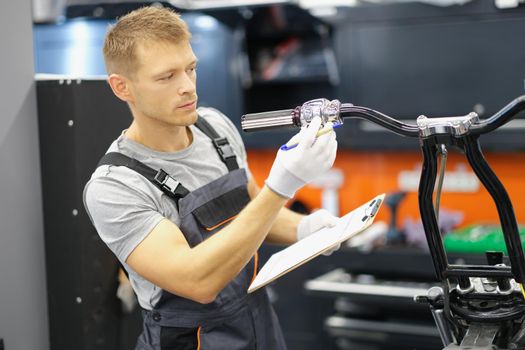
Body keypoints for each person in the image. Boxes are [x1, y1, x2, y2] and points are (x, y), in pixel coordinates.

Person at [83, 6, 338, 350]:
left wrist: (304, 229)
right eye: (166, 77)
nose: (187, 87)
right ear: (121, 87)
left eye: (190, 69)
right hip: (191, 340)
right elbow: (197, 281)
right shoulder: (116, 186)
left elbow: (251, 210)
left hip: (258, 326)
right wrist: (281, 186)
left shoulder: (216, 128)